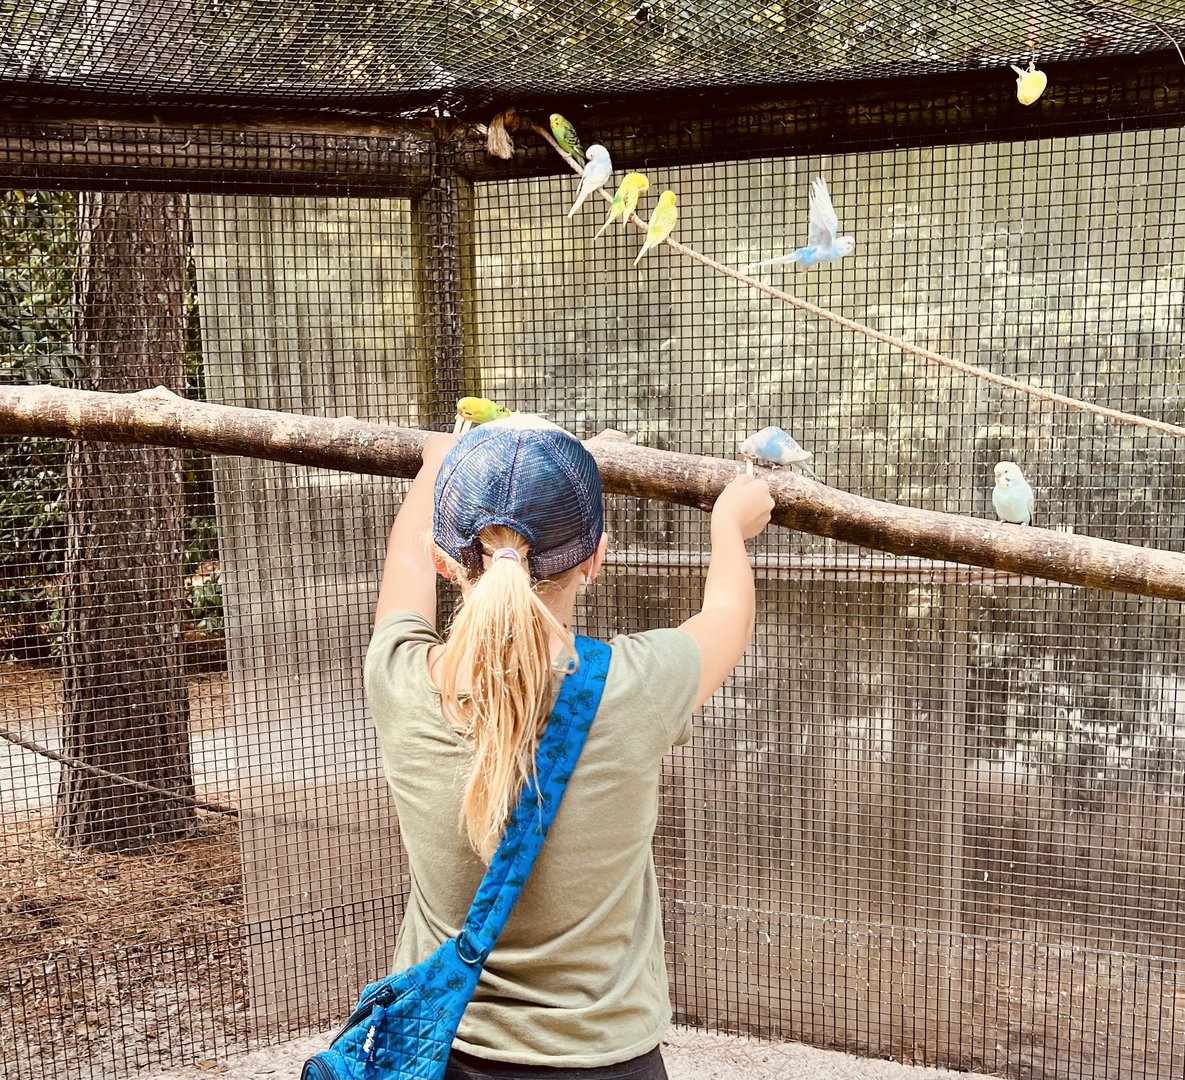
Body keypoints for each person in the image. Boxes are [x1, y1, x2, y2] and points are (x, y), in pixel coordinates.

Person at [364, 422, 773, 1079]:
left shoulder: (400, 681)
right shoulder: (639, 687)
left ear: (445, 559)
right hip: (604, 1063)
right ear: (596, 557)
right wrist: (729, 527)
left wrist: (434, 464)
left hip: (439, 1056)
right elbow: (728, 614)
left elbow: (404, 569)